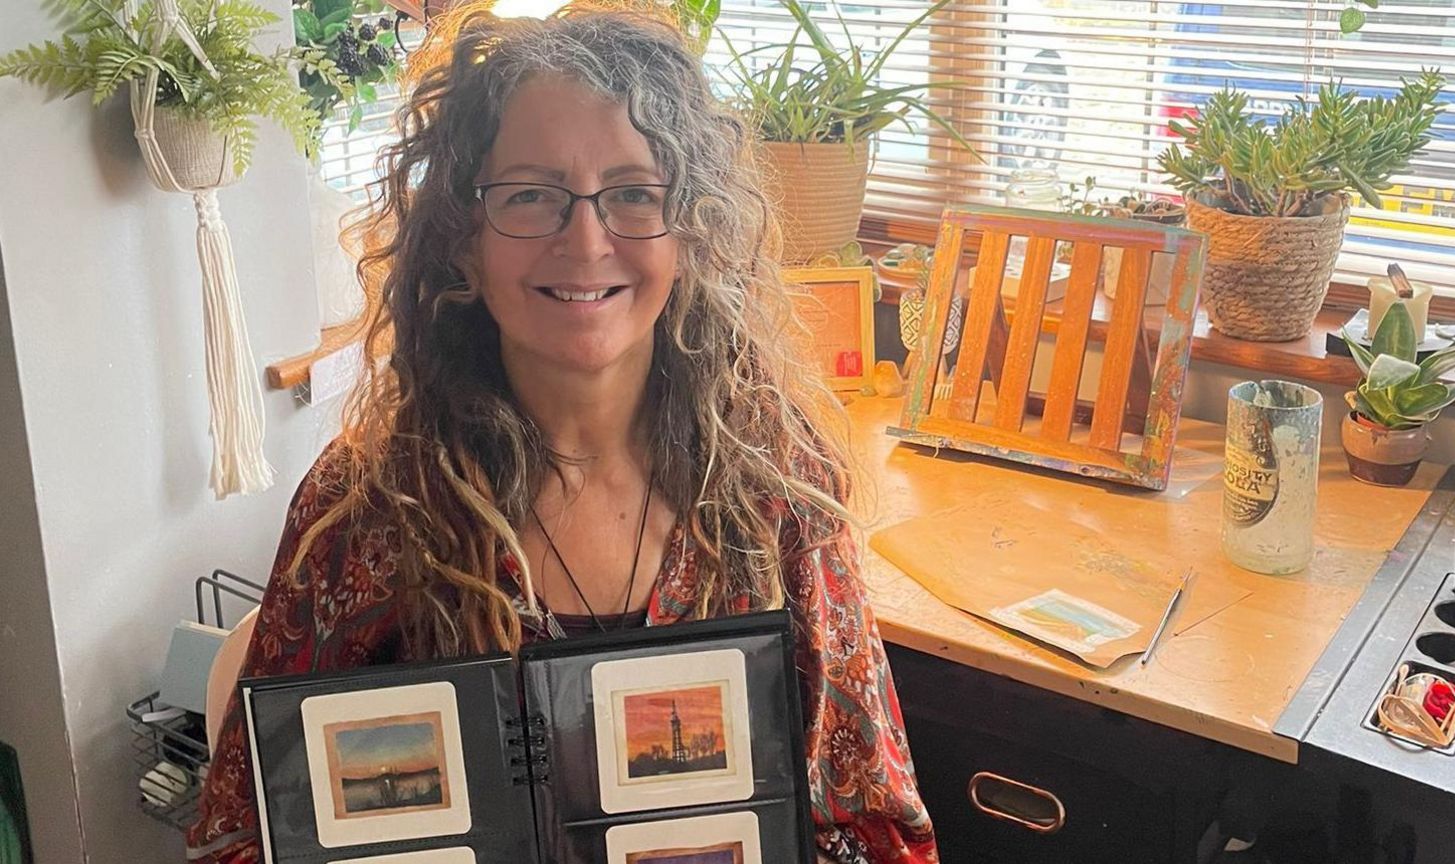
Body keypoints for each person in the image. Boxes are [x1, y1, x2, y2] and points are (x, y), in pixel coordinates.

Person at [186, 6, 935, 863]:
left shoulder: (775, 491)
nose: (585, 240)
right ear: (462, 243)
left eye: (631, 194)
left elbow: (873, 822)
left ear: (688, 233)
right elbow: (245, 834)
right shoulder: (370, 509)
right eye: (531, 195)